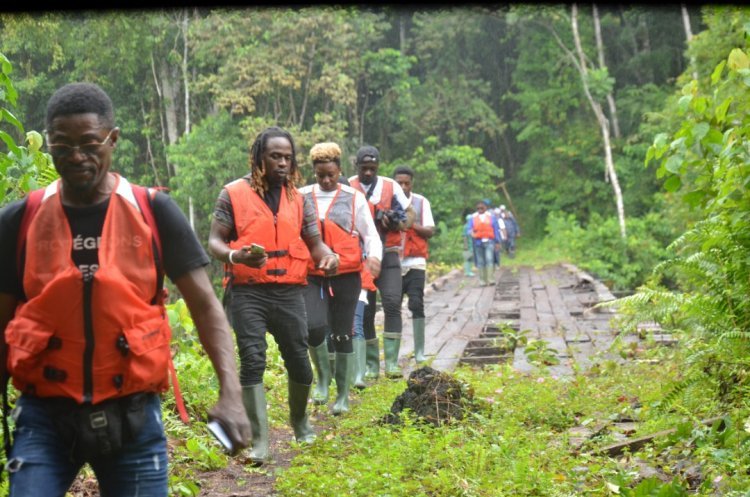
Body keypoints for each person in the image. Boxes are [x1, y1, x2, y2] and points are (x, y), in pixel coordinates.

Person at [0, 82, 251, 497]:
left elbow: (207, 308)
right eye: (62, 145)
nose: (76, 156)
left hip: (133, 416)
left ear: (113, 139)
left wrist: (231, 393)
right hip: (44, 416)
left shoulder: (153, 212)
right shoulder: (19, 220)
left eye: (89, 143)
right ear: (49, 144)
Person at [207, 126, 338, 464]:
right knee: (252, 359)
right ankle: (260, 442)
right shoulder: (232, 194)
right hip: (248, 292)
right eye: (275, 156)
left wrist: (327, 256)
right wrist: (236, 256)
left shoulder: (300, 198)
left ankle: (300, 423)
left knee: (299, 360)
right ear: (259, 158)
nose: (282, 163)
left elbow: (315, 242)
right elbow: (215, 242)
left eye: (287, 157)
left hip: (290, 291)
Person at [298, 142, 381, 414]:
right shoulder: (300, 197)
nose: (326, 180)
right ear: (313, 172)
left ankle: (342, 396)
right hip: (312, 274)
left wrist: (374, 258)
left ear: (339, 170)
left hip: (346, 275)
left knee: (343, 333)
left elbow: (370, 234)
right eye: (320, 175)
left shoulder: (353, 197)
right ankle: (323, 378)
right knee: (313, 326)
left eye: (331, 175)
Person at [348, 145, 410, 379]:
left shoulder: (390, 185)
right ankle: (372, 364)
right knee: (366, 310)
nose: (368, 173)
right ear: (357, 166)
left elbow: (410, 214)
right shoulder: (348, 186)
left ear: (378, 167)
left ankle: (392, 363)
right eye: (364, 169)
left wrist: (396, 221)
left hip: (389, 252)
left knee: (393, 302)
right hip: (361, 257)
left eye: (373, 169)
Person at [393, 165, 435, 363]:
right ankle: (396, 352)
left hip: (416, 262)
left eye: (406, 183)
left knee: (416, 303)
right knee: (393, 306)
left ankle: (419, 351)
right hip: (393, 262)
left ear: (411, 184)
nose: (402, 186)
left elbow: (430, 231)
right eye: (399, 183)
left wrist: (411, 224)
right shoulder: (388, 201)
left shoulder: (420, 202)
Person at [468, 199, 505, 286]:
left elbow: (496, 230)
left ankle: (491, 279)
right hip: (478, 242)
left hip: (489, 241)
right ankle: (482, 280)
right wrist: (471, 233)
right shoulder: (472, 218)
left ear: (486, 207)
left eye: (482, 206)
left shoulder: (492, 217)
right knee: (481, 261)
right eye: (478, 207)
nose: (480, 208)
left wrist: (497, 242)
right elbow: (469, 229)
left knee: (489, 259)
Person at [462, 211, 476, 277]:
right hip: (467, 245)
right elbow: (464, 237)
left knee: (470, 259)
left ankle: (469, 270)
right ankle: (467, 272)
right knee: (467, 258)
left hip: (471, 245)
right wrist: (465, 246)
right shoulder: (466, 227)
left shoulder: (471, 227)